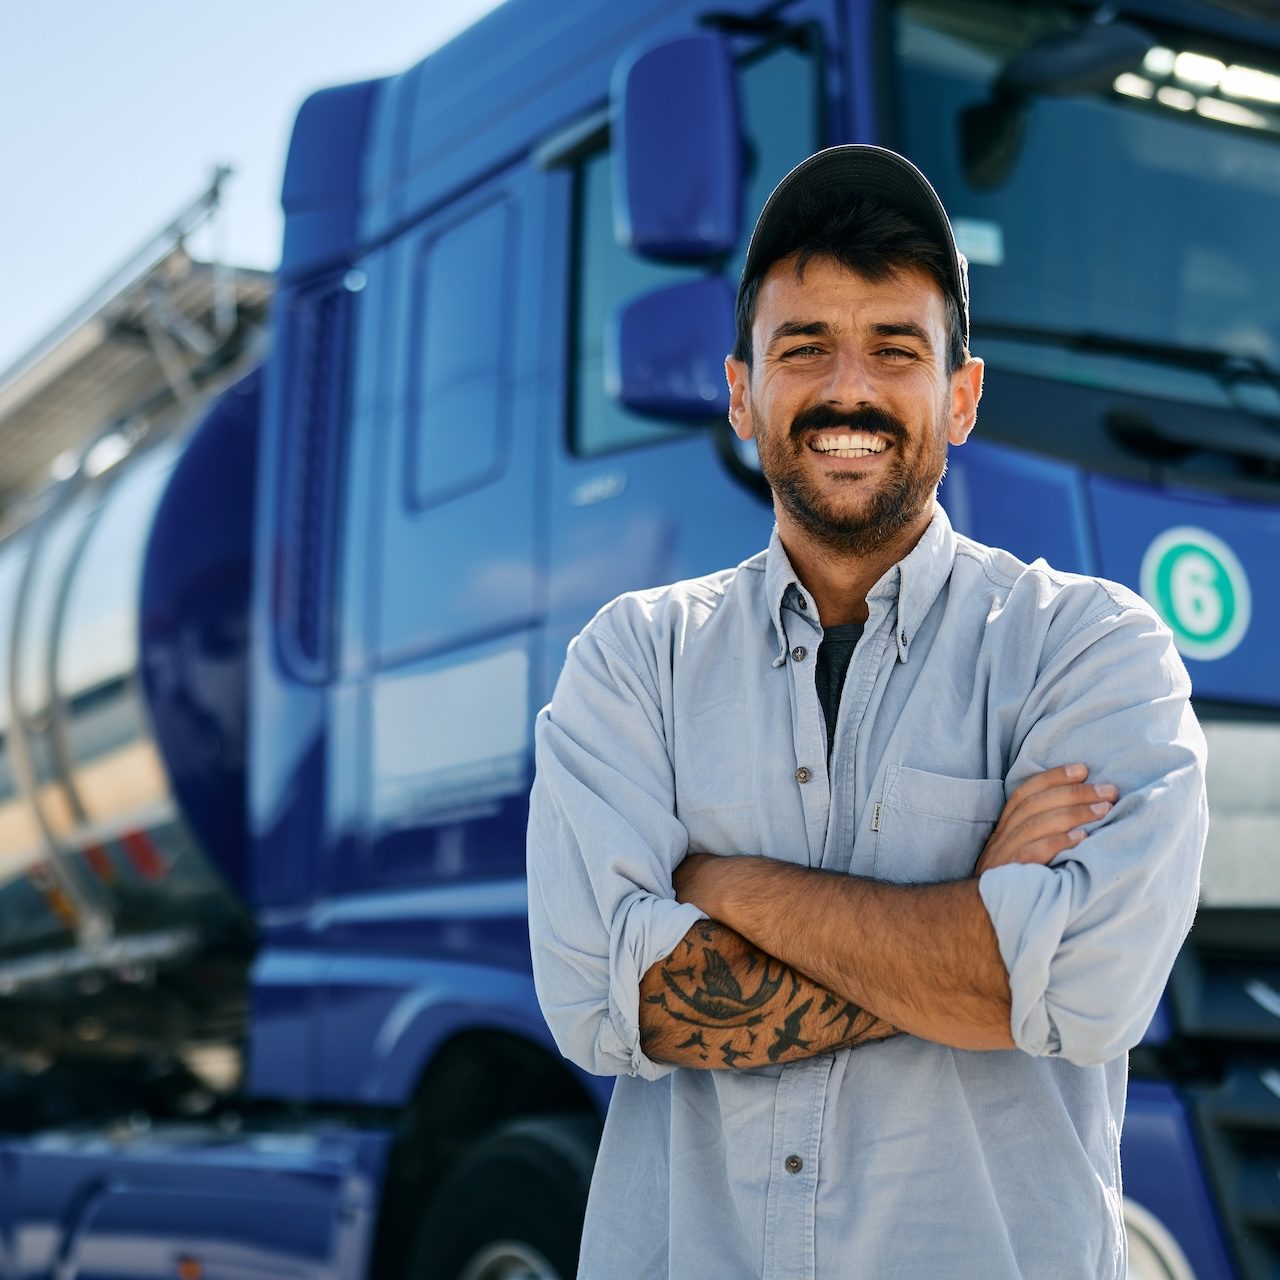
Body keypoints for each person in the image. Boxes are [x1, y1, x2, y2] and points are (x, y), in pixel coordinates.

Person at [526, 145, 1206, 1279]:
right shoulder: (632, 660)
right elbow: (612, 1000)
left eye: (894, 349)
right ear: (742, 392)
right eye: (803, 348)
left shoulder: (1089, 647)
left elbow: (1079, 986)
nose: (848, 389)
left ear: (960, 394)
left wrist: (721, 885)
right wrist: (973, 938)